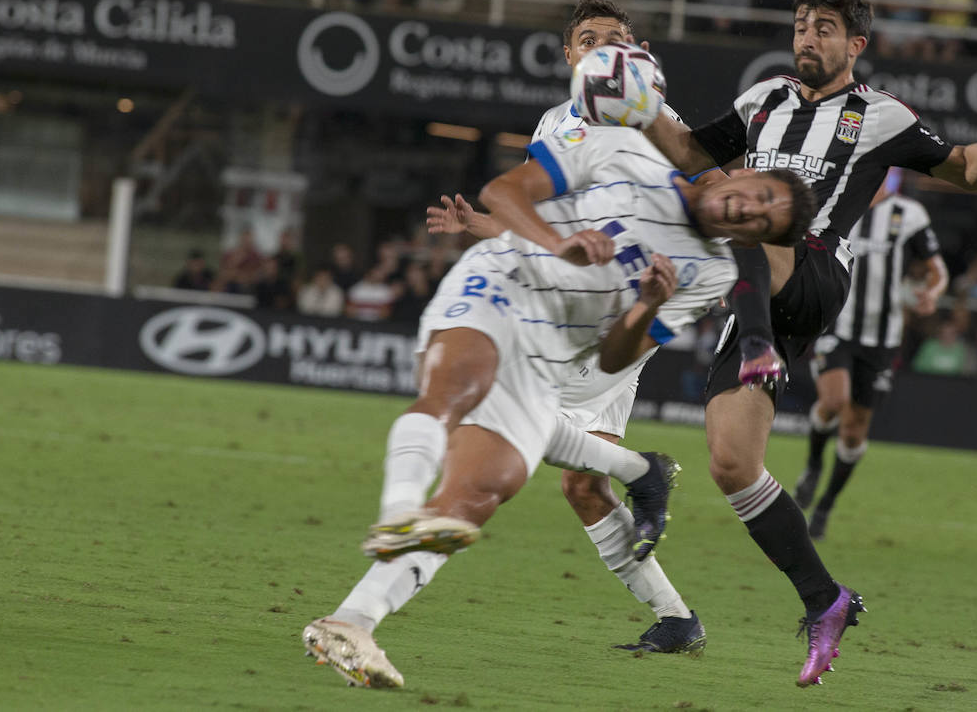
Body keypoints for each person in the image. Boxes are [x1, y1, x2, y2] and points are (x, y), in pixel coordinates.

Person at [302, 124, 815, 689]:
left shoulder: (712, 270)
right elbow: (503, 192)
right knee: (456, 388)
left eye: (764, 223)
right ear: (743, 172)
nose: (749, 212)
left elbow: (617, 358)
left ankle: (350, 623)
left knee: (476, 494)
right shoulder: (627, 151)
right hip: (500, 283)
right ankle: (399, 509)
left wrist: (646, 307)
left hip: (551, 353)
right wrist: (558, 245)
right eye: (762, 195)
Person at [640, 0, 977, 686]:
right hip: (755, 291)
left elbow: (968, 170)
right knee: (731, 463)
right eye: (800, 26)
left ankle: (755, 345)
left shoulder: (879, 116)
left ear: (855, 45)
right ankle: (826, 600)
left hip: (814, 274)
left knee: (748, 209)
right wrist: (640, 101)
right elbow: (691, 153)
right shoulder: (764, 102)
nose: (807, 37)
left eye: (823, 28)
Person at [424, 0, 706, 655]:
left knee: (487, 406)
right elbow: (555, 228)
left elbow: (699, 202)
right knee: (581, 484)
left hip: (615, 308)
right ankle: (676, 619)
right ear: (570, 56)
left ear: (635, 57)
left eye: (616, 38)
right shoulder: (555, 123)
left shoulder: (654, 119)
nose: (603, 47)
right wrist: (484, 226)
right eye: (589, 38)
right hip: (573, 297)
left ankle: (644, 472)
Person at [794, 168, 948, 539]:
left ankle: (827, 504)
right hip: (837, 326)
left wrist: (933, 291)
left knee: (854, 429)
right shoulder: (837, 205)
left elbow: (936, 269)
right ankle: (813, 464)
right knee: (834, 400)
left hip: (883, 339)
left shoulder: (909, 214)